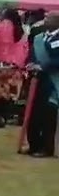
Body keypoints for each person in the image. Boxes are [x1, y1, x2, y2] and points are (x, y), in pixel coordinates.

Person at [23, 11, 59, 157]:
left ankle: (46, 148)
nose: (45, 21)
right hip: (36, 80)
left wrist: (44, 66)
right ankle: (33, 144)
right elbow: (31, 54)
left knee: (47, 116)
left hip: (52, 81)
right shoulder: (39, 37)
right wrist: (30, 64)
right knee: (33, 114)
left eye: (49, 19)